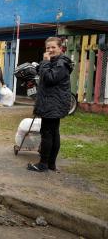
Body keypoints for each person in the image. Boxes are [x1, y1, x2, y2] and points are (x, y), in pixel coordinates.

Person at [27, 37, 73, 172]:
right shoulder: (56, 62)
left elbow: (50, 78)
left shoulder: (61, 63)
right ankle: (51, 164)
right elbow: (45, 74)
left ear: (60, 48)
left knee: (47, 133)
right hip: (53, 102)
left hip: (53, 103)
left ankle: (43, 164)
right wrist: (42, 64)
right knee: (53, 133)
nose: (50, 50)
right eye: (48, 48)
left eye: (53, 47)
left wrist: (45, 62)